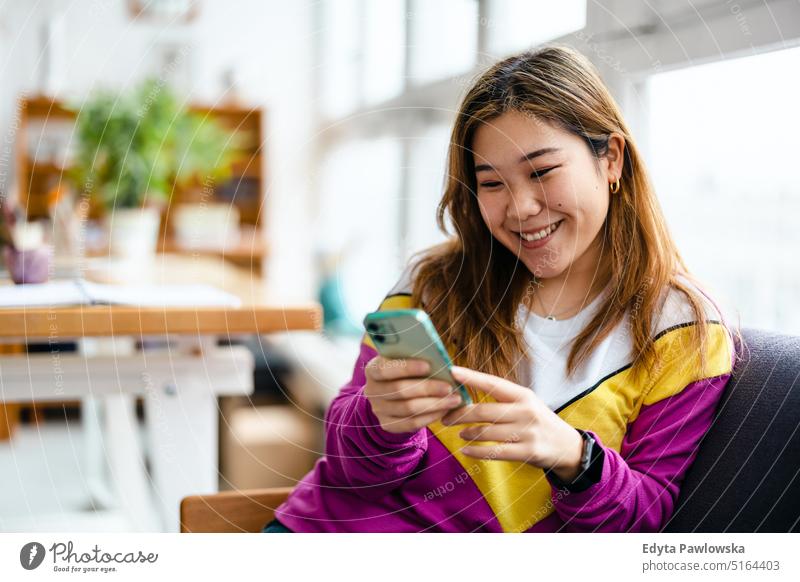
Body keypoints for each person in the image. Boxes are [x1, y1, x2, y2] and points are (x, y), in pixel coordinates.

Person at [263, 44, 739, 533]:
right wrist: (378, 420)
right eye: (491, 183)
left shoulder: (681, 328)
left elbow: (642, 522)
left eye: (541, 172)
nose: (520, 208)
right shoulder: (433, 281)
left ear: (611, 158)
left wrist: (573, 457)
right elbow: (350, 472)